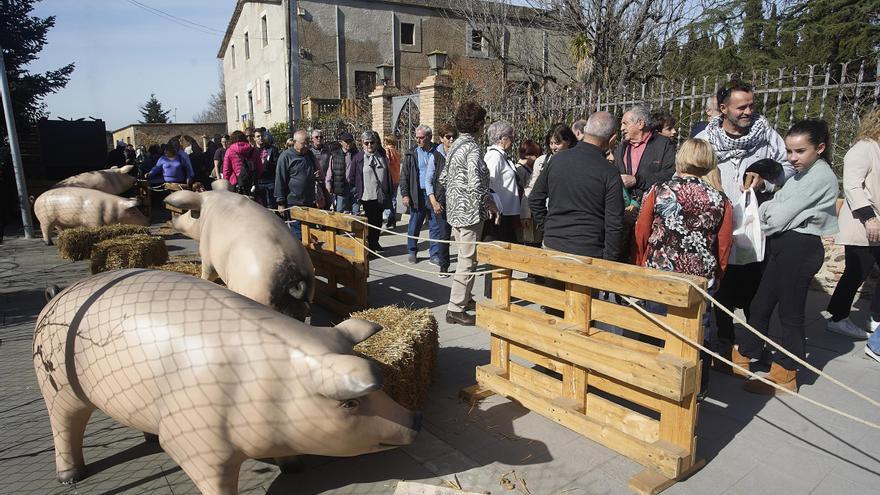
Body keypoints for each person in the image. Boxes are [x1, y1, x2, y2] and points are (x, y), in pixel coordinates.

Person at [737, 120, 839, 394]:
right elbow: (775, 206)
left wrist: (768, 214)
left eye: (800, 151)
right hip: (785, 245)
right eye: (789, 151)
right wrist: (772, 210)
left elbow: (777, 217)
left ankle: (786, 372)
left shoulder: (820, 176)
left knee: (790, 313)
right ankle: (746, 353)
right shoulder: (801, 175)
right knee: (761, 303)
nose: (792, 158)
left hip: (800, 247)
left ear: (820, 148)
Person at [696, 81, 794, 360]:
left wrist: (765, 182)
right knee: (722, 286)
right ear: (723, 108)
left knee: (756, 289)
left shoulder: (767, 136)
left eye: (751, 105)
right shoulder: (705, 139)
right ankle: (724, 342)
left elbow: (787, 167)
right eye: (741, 107)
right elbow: (689, 169)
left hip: (756, 227)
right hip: (720, 224)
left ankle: (755, 343)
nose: (748, 111)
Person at [633, 138, 734, 399]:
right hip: (698, 276)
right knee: (697, 333)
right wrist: (718, 274)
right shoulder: (721, 199)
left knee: (656, 326)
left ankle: (651, 382)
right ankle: (697, 388)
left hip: (660, 270)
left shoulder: (659, 190)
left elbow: (642, 230)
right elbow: (724, 243)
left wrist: (642, 261)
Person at [530, 111, 624, 261]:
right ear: (612, 138)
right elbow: (614, 223)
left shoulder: (557, 160)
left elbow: (534, 199)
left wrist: (549, 227)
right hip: (588, 251)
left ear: (585, 131)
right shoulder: (609, 172)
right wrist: (610, 260)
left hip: (553, 244)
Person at [440, 101, 500, 325]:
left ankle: (464, 297)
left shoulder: (455, 145)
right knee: (468, 261)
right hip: (470, 214)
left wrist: (456, 196)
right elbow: (476, 183)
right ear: (478, 124)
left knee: (464, 259)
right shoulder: (473, 148)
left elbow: (443, 178)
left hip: (455, 212)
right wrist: (488, 203)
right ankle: (455, 309)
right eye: (483, 122)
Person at [827, 108, 880, 342]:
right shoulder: (864, 148)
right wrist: (869, 217)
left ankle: (872, 317)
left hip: (875, 222)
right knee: (856, 272)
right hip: (863, 223)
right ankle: (838, 318)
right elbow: (851, 185)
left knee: (857, 272)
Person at [400, 125, 447, 265]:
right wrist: (405, 194)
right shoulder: (412, 153)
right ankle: (412, 251)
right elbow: (404, 176)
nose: (418, 140)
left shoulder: (439, 151)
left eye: (421, 137)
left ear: (429, 137)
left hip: (434, 194)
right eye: (416, 137)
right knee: (414, 224)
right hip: (417, 194)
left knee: (435, 225)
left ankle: (434, 254)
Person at [614, 104, 676, 202]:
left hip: (652, 204)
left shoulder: (664, 144)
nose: (622, 128)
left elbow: (670, 174)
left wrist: (637, 180)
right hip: (625, 206)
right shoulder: (622, 147)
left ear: (640, 124)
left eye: (625, 123)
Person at [350, 130, 393, 252]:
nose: (369, 145)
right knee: (370, 221)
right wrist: (356, 192)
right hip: (367, 196)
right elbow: (351, 177)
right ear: (362, 144)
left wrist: (389, 190)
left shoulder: (382, 156)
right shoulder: (358, 158)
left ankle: (375, 242)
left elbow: (388, 174)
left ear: (376, 143)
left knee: (378, 220)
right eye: (366, 143)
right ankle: (370, 244)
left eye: (372, 142)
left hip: (380, 195)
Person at [275, 130, 317, 240]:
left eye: (308, 142)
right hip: (294, 202)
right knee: (298, 235)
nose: (307, 146)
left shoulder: (309, 154)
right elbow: (280, 179)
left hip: (309, 201)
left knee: (312, 233)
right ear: (295, 142)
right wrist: (280, 202)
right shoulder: (286, 156)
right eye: (304, 143)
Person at [483, 121, 520, 244]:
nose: (513, 140)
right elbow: (487, 182)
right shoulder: (495, 156)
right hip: (498, 214)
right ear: (501, 138)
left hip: (506, 212)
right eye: (511, 136)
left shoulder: (502, 156)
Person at [526, 123, 578, 201]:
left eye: (557, 143)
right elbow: (532, 187)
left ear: (568, 141)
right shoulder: (541, 161)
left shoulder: (577, 161)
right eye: (551, 143)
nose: (553, 147)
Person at [516, 139, 542, 247]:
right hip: (526, 212)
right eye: (536, 155)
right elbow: (526, 192)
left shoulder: (524, 169)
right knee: (529, 240)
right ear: (528, 155)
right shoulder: (522, 170)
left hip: (527, 211)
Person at [325, 132, 359, 214]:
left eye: (350, 141)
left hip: (355, 187)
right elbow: (330, 170)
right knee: (339, 211)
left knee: (356, 211)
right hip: (341, 187)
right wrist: (328, 183)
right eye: (346, 142)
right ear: (341, 142)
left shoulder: (357, 154)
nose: (348, 144)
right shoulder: (335, 155)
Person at [222, 130, 263, 195]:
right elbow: (260, 167)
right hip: (251, 184)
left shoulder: (229, 151)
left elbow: (226, 171)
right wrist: (255, 178)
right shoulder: (253, 150)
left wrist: (226, 186)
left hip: (235, 185)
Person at [254, 127, 280, 208]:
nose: (260, 138)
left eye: (262, 136)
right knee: (260, 207)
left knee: (271, 206)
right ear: (254, 138)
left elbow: (277, 165)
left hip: (270, 181)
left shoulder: (272, 149)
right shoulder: (252, 151)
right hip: (258, 182)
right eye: (258, 136)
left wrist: (267, 163)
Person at [310, 129, 332, 210]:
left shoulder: (328, 150)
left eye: (321, 137)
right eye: (317, 137)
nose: (319, 138)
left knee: (328, 204)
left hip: (326, 181)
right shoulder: (309, 152)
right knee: (317, 206)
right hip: (315, 182)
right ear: (312, 139)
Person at [383, 133, 401, 228]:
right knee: (393, 198)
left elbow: (386, 163)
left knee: (387, 199)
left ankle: (390, 218)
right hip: (396, 178)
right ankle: (393, 219)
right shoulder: (396, 151)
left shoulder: (387, 150)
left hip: (389, 178)